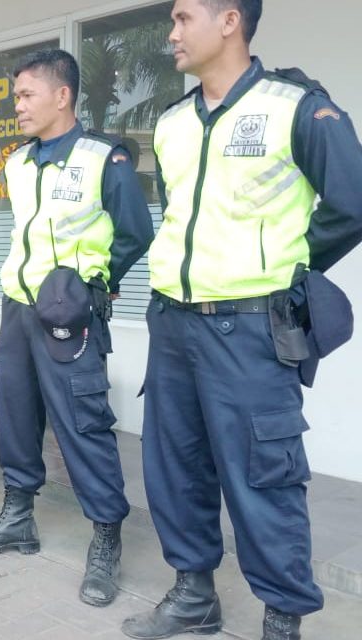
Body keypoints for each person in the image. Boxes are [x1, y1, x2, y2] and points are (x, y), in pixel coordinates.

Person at [122, 2, 362, 639]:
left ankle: (283, 616)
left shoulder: (298, 107)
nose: (171, 32)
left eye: (182, 17)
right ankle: (193, 593)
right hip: (173, 325)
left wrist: (283, 266)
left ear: (229, 21)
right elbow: (181, 216)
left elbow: (353, 202)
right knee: (176, 464)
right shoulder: (172, 123)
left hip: (252, 330)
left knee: (265, 474)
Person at [0, 49, 153, 608]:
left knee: (82, 424)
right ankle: (18, 516)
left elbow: (135, 232)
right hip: (18, 309)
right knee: (15, 413)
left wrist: (94, 281)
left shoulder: (104, 159)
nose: (16, 106)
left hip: (70, 314)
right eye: (15, 96)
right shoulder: (19, 163)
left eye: (25, 95)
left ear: (62, 95)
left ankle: (106, 540)